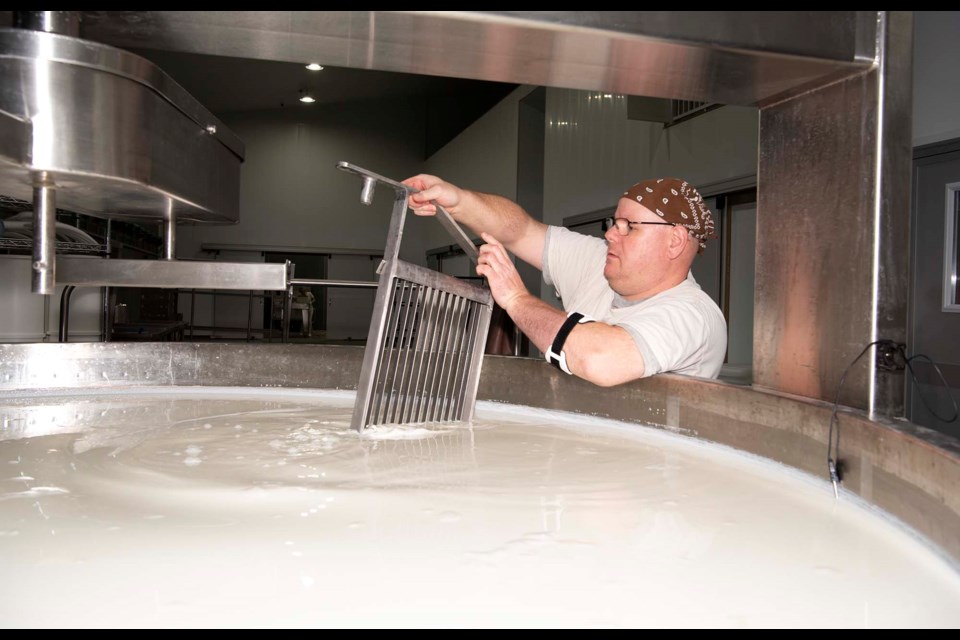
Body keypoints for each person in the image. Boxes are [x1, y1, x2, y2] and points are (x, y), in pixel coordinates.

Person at [403, 175, 727, 386]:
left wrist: (517, 299)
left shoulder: (693, 315)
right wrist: (459, 201)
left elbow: (600, 359)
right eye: (614, 222)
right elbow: (520, 230)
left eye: (630, 226)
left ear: (675, 241)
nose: (611, 233)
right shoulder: (598, 263)